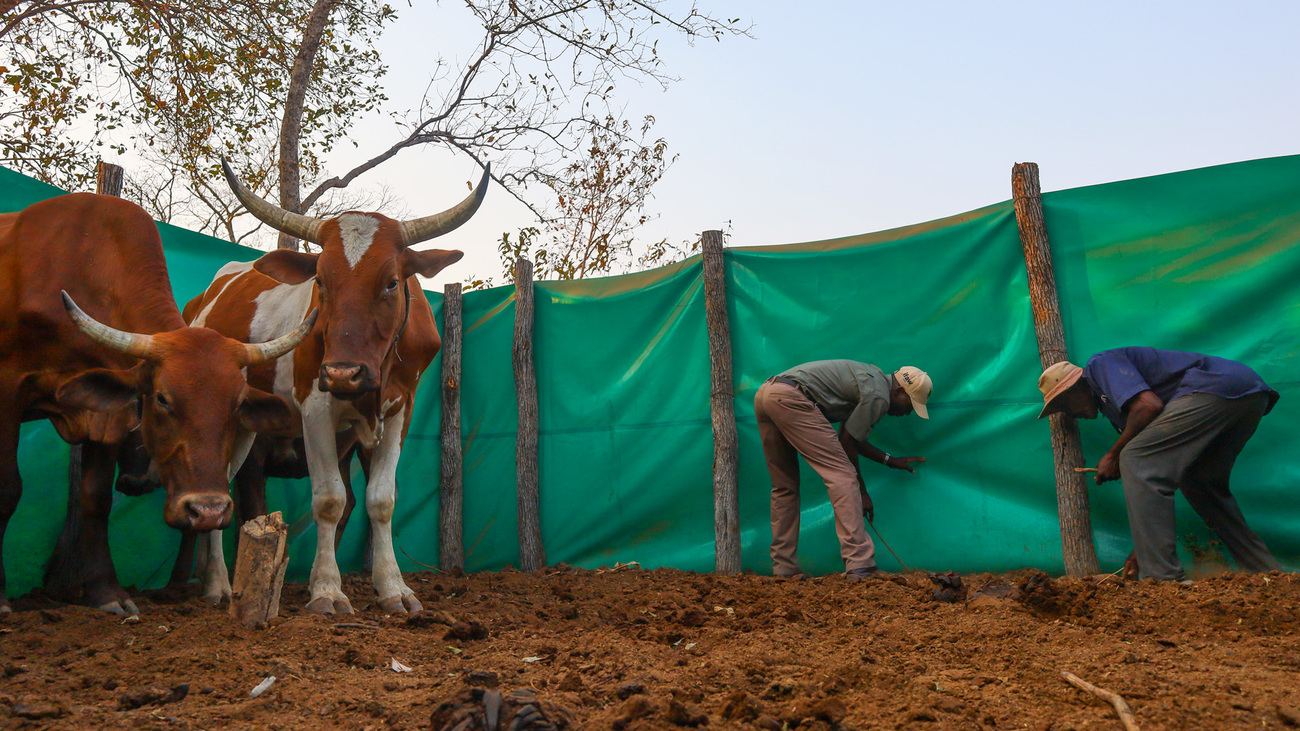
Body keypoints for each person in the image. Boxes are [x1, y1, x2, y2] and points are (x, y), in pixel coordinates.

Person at [1037, 347, 1282, 582]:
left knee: (1135, 457)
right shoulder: (1117, 413)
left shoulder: (1099, 366)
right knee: (1200, 482)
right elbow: (1158, 477)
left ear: (1076, 388)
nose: (1068, 414)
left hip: (1215, 386)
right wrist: (1144, 551)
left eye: (1063, 405)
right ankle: (1266, 572)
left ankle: (1161, 579)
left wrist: (1113, 455)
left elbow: (1148, 406)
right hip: (1249, 396)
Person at [754, 360, 931, 580]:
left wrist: (890, 460)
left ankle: (784, 568)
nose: (908, 413)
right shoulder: (879, 396)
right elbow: (848, 442)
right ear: (899, 390)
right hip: (791, 398)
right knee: (843, 477)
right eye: (911, 404)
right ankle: (861, 564)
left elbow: (849, 438)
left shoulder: (870, 378)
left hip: (767, 394)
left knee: (784, 487)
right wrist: (862, 492)